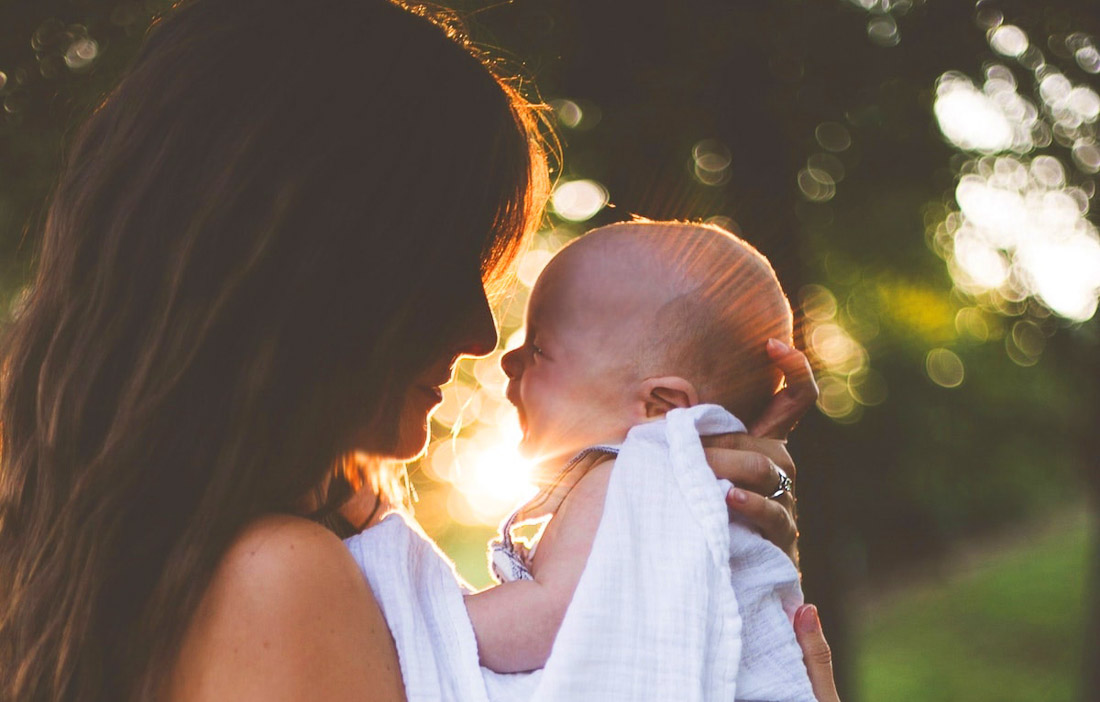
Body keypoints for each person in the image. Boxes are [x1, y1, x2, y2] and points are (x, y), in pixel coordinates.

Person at [0, 1, 838, 701]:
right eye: (448, 268)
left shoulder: (93, 562)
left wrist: (695, 538)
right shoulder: (278, 579)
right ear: (316, 266)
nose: (480, 333)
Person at [460, 221, 813, 700]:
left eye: (539, 347)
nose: (507, 360)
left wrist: (425, 613)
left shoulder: (623, 477)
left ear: (660, 407)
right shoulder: (677, 493)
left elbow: (549, 620)